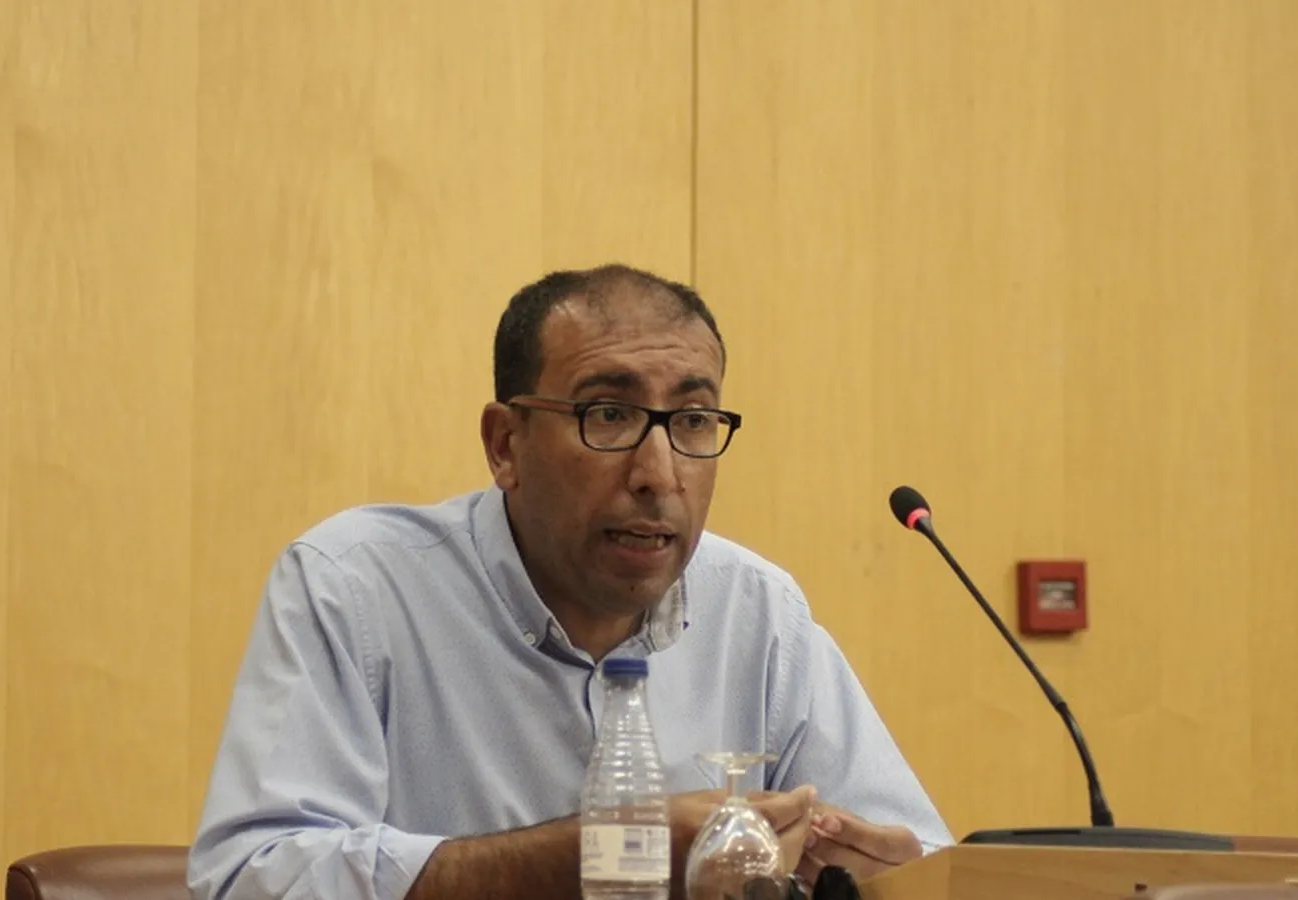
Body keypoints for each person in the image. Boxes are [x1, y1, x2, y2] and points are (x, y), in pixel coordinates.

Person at [187, 264, 953, 900]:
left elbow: (921, 857)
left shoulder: (759, 611)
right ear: (505, 444)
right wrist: (596, 856)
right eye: (609, 414)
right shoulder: (354, 588)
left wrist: (885, 882)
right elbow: (253, 879)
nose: (659, 475)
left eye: (693, 421)